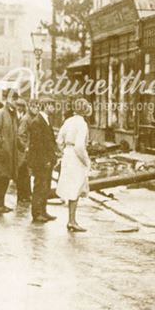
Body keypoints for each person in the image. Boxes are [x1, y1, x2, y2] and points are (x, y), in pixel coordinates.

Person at [56, 98, 91, 232]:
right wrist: (86, 161)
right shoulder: (82, 124)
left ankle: (71, 220)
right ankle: (72, 221)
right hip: (76, 158)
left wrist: (65, 151)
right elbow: (80, 147)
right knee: (76, 188)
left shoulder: (68, 121)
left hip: (68, 155)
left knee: (71, 188)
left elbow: (59, 140)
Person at [26, 97, 58, 223]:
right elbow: (38, 144)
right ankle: (37, 213)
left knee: (46, 186)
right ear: (46, 106)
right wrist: (45, 160)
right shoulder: (37, 121)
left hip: (47, 160)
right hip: (41, 161)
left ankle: (43, 211)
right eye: (52, 105)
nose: (54, 108)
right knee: (39, 186)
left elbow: (49, 142)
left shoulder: (46, 120)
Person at [14, 99, 32, 205]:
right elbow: (20, 134)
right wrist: (25, 147)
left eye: (22, 106)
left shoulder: (23, 116)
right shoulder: (24, 118)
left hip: (21, 148)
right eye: (18, 106)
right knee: (23, 173)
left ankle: (25, 194)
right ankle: (22, 196)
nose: (20, 108)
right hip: (21, 149)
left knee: (25, 173)